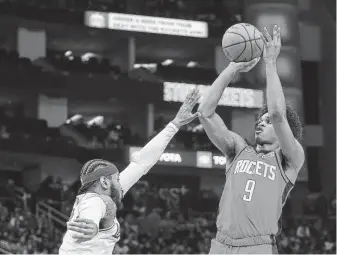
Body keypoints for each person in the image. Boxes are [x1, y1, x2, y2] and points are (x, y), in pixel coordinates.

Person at [198, 25, 304, 254]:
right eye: (260, 120)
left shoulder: (290, 159)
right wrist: (232, 68)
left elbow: (277, 114)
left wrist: (270, 62)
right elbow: (205, 112)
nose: (260, 123)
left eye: (266, 122)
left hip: (257, 247)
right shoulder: (238, 149)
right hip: (220, 245)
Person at [58, 89, 201, 254]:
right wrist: (91, 227)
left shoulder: (105, 195)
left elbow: (140, 163)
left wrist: (174, 125)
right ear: (104, 182)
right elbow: (91, 215)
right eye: (115, 177)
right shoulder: (95, 201)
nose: (120, 180)